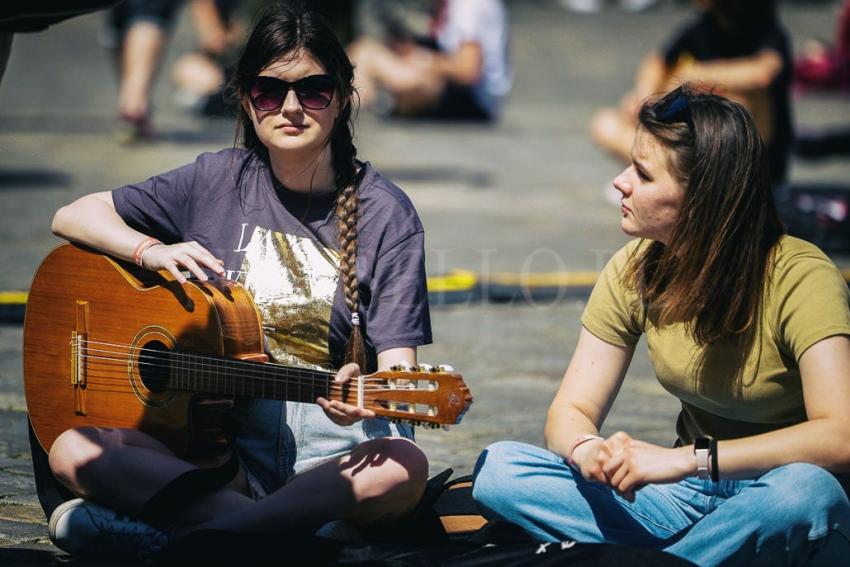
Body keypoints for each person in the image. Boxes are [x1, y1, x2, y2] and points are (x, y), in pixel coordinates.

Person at [44, 4, 431, 558]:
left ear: (343, 97)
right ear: (248, 102)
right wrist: (150, 250)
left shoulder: (385, 211)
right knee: (73, 449)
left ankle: (190, 538)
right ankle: (286, 540)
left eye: (314, 90)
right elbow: (73, 214)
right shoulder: (213, 179)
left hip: (334, 456)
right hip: (217, 452)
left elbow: (400, 371)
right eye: (270, 92)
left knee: (403, 465)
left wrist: (372, 399)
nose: (291, 107)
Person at [472, 85, 850, 566]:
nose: (620, 183)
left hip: (774, 497)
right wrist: (588, 450)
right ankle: (687, 558)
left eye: (643, 175)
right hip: (681, 501)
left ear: (702, 199)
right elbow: (571, 409)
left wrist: (689, 459)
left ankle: (655, 559)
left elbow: (841, 436)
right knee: (501, 471)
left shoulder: (802, 277)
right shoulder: (635, 268)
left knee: (810, 493)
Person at [590, 0, 793, 185]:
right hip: (694, 151)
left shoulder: (765, 30)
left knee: (741, 101)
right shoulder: (703, 27)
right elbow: (658, 61)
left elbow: (763, 72)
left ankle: (669, 179)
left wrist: (698, 75)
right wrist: (643, 93)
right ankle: (664, 177)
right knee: (605, 124)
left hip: (752, 161)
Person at [347, 0, 511, 121]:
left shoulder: (469, 6)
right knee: (363, 51)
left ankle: (360, 110)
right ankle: (371, 104)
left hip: (474, 98)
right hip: (465, 92)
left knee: (365, 53)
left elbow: (468, 70)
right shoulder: (455, 6)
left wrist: (423, 60)